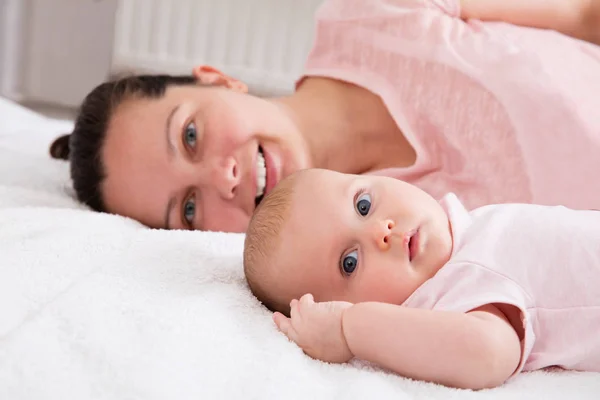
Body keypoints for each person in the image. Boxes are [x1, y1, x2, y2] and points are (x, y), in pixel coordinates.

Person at [49, 0, 600, 233]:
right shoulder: (363, 261)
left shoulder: (373, 14)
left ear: (217, 78)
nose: (222, 178)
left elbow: (582, 13)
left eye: (191, 135)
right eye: (188, 209)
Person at [242, 168, 600, 389]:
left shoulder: (471, 234)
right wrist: (348, 329)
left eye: (363, 205)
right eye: (349, 262)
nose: (380, 231)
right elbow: (488, 353)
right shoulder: (452, 291)